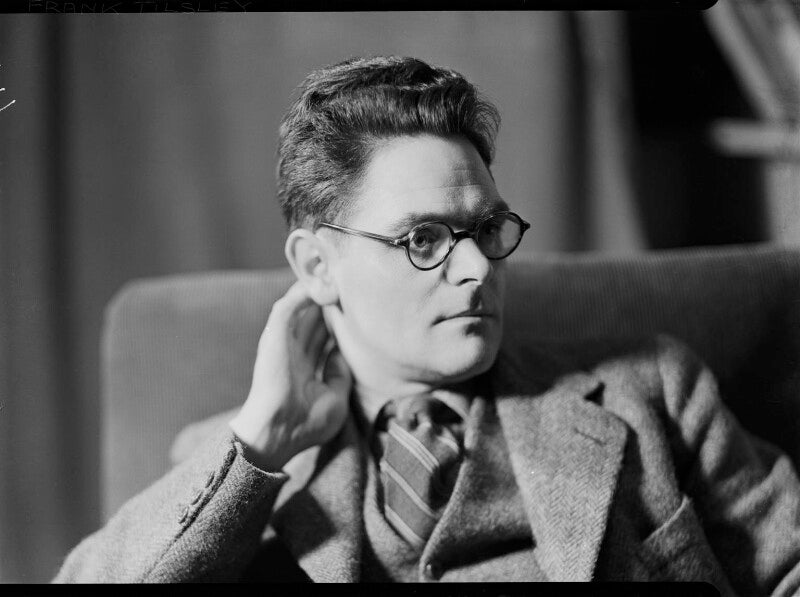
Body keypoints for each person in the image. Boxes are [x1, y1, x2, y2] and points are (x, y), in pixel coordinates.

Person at [55, 56, 800, 591]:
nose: (477, 267)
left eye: (487, 229)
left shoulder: (652, 390)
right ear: (317, 265)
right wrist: (259, 442)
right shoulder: (234, 463)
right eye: (423, 239)